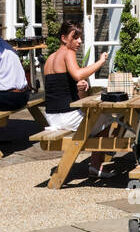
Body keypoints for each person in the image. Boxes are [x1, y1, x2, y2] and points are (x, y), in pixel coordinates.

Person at [43, 21, 113, 176]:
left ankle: (99, 157)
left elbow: (59, 88)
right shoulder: (68, 53)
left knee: (96, 118)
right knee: (107, 117)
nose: (79, 41)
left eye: (80, 37)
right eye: (75, 37)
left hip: (51, 117)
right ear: (63, 38)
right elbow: (78, 74)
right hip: (66, 117)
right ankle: (96, 164)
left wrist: (77, 86)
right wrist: (101, 62)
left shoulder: (50, 58)